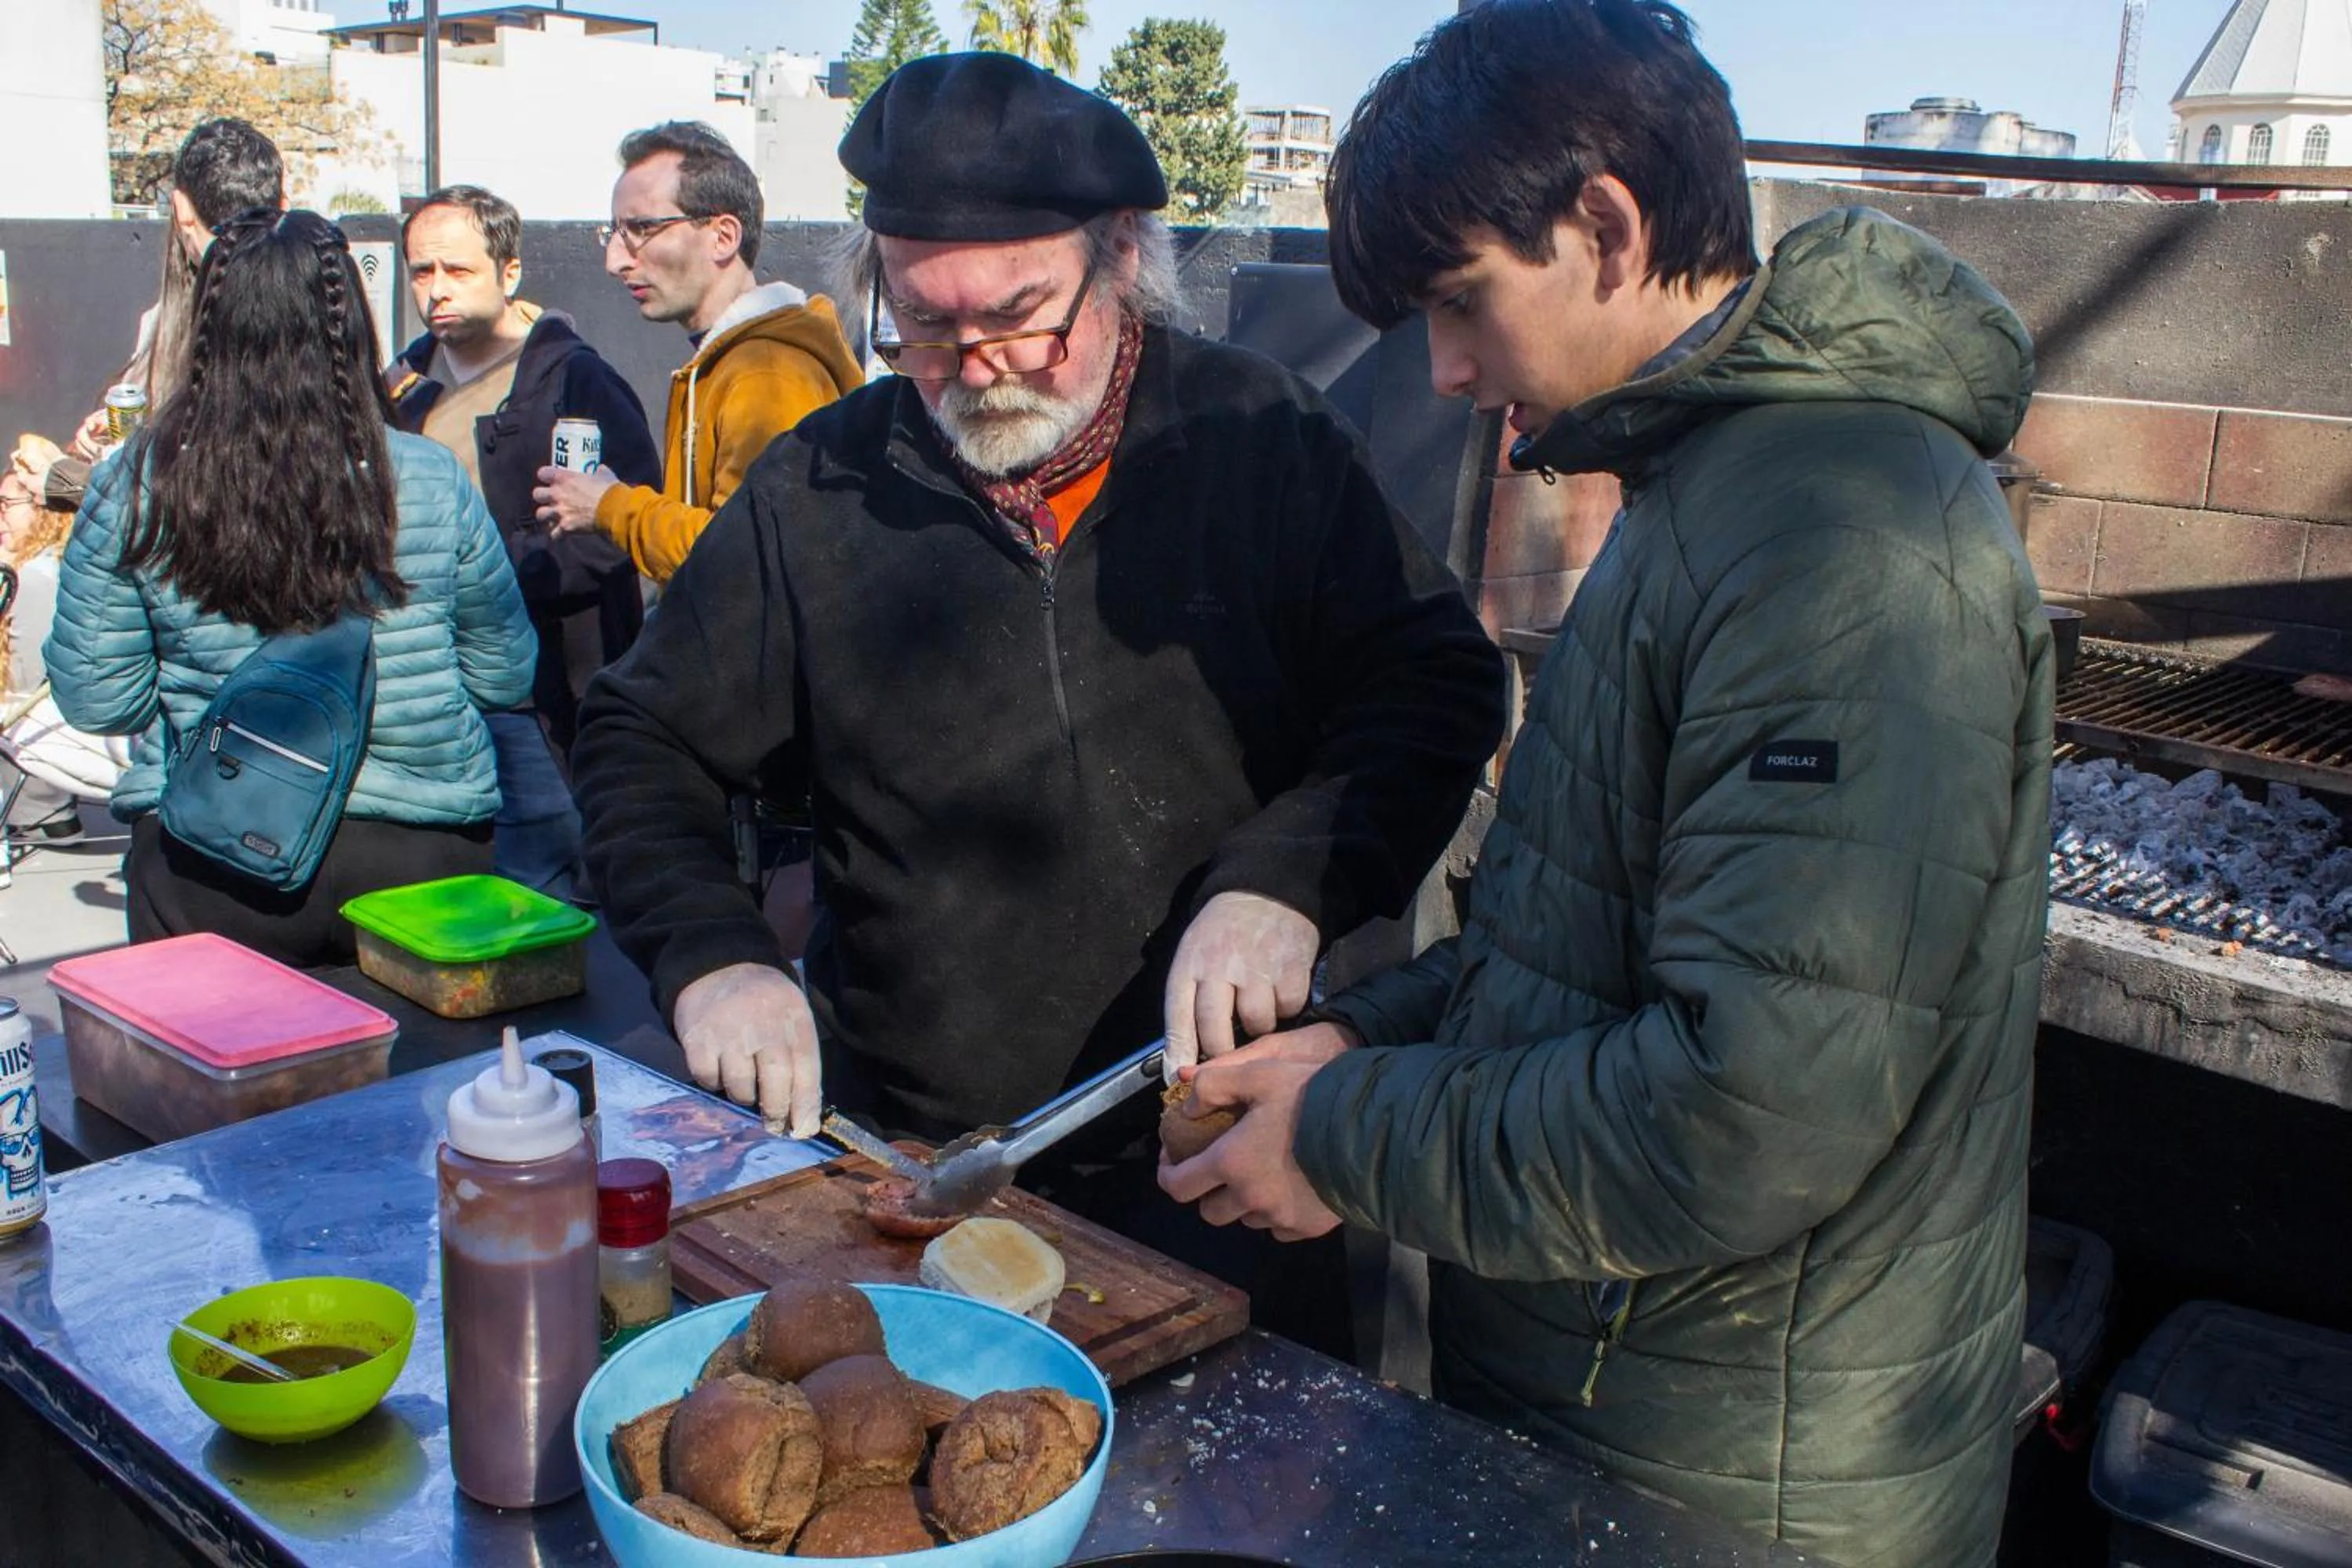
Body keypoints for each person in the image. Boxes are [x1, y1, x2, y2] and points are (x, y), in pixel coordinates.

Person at [1157, 5, 2053, 1565]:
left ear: (1607, 226)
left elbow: (1752, 1109)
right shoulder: (1704, 490)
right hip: (1605, 1407)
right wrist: (1352, 1038)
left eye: (1459, 302)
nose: (1441, 371)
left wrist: (1350, 1133)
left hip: (1734, 1488)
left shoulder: (1844, 539)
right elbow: (1561, 958)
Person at [569, 53, 1504, 1356]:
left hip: (1212, 1149)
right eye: (927, 327)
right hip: (897, 1160)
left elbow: (1436, 679)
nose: (980, 366)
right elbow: (640, 734)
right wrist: (712, 957)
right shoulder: (825, 482)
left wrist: (1291, 879)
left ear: (1120, 257)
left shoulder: (1255, 438)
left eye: (1019, 317)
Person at [47, 210, 537, 968]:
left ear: (209, 331)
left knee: (224, 1084)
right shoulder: (431, 477)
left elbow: (98, 700)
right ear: (352, 331)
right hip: (423, 861)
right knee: (426, 1086)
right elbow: (505, 675)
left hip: (210, 849)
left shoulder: (135, 483)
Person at [389, 183, 660, 901]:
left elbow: (618, 528)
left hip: (551, 696)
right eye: (422, 272)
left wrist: (499, 574)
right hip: (431, 690)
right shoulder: (399, 389)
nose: (436, 291)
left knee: (556, 893)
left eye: (458, 270)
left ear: (509, 273)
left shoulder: (575, 381)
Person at [539, 121, 862, 584]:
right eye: (613, 232)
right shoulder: (725, 361)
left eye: (642, 228)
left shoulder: (768, 372)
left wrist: (610, 507)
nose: (615, 260)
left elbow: (747, 558)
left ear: (723, 236)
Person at [20, 119, 285, 517]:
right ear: (283, 204)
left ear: (179, 208)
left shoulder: (213, 317)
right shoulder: (327, 298)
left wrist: (74, 483)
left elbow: (208, 496)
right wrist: (116, 440)